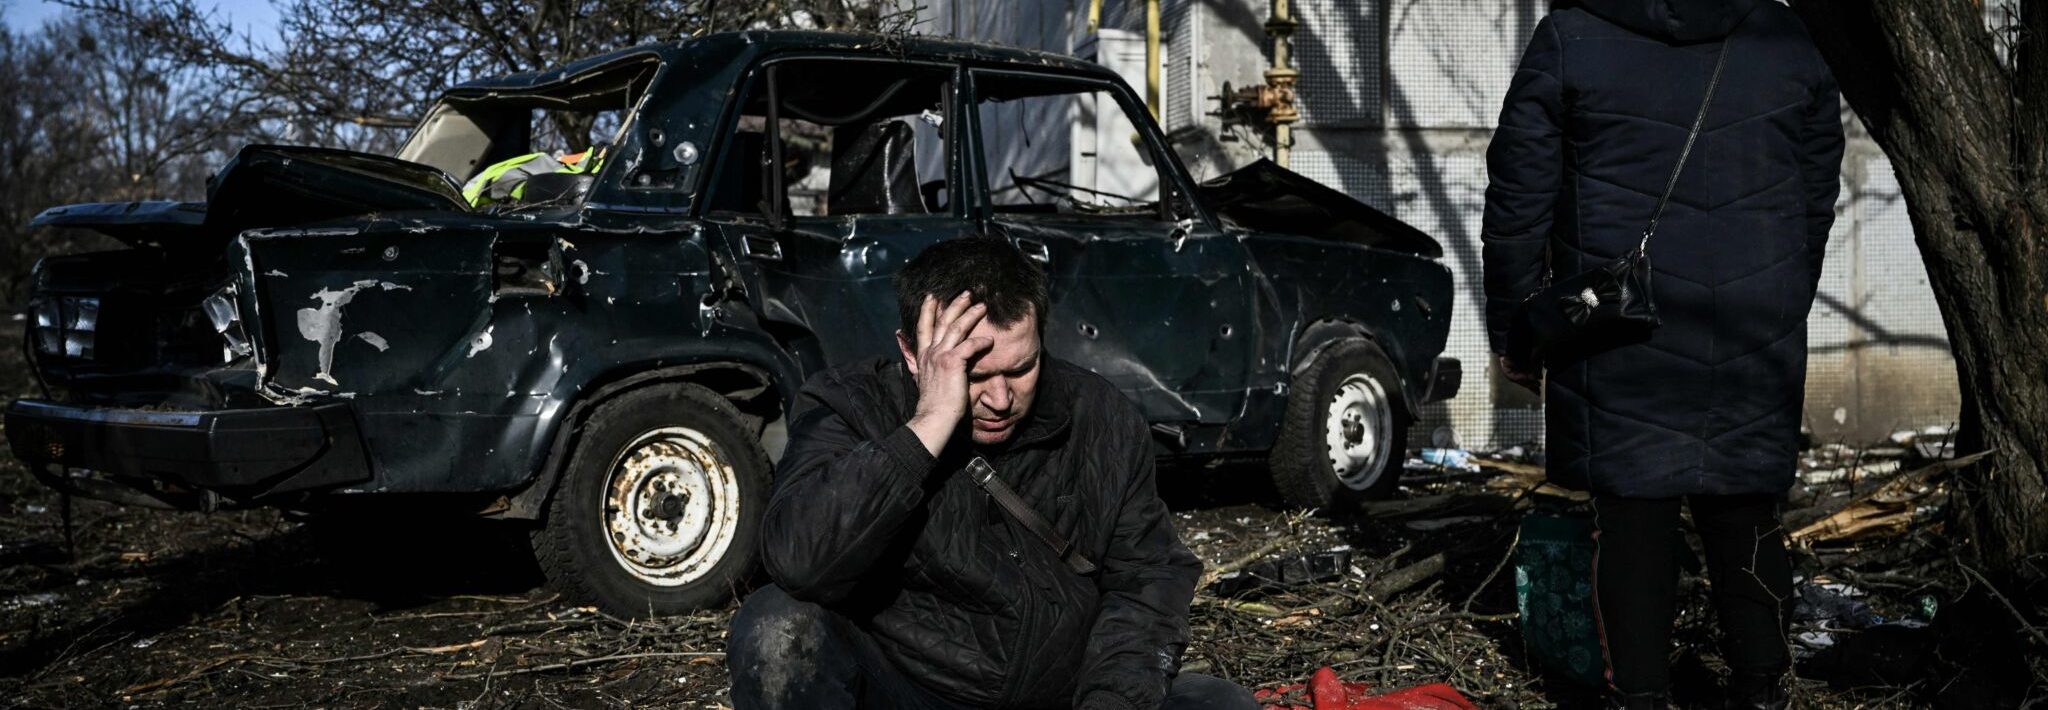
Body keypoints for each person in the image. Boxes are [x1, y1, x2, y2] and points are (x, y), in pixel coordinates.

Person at [1482, 1, 1843, 709]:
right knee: (1746, 506)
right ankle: (1762, 688)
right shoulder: (1784, 37)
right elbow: (1816, 186)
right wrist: (1788, 287)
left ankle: (1642, 696)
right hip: (1752, 317)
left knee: (1632, 516)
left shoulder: (1572, 35)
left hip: (1617, 324)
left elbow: (1519, 195)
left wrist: (1520, 326)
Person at [726, 236, 1256, 710]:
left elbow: (1148, 578)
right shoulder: (850, 405)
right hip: (907, 689)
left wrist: (1112, 700)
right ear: (912, 353)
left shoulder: (1100, 417)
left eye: (1021, 368)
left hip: (1065, 692)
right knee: (777, 630)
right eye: (974, 374)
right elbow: (798, 562)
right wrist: (927, 426)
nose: (1000, 399)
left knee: (1220, 703)